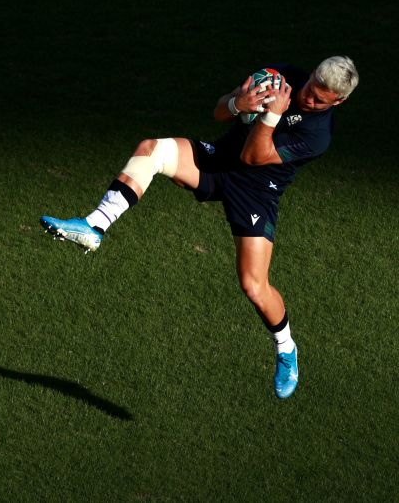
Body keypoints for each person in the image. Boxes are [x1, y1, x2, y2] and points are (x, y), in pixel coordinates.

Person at [40, 56, 359, 400]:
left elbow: (253, 156)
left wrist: (270, 114)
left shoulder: (317, 135)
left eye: (319, 99)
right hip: (219, 158)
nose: (309, 97)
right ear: (311, 75)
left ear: (338, 102)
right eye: (311, 87)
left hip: (256, 190)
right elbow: (220, 111)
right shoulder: (282, 77)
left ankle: (286, 348)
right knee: (152, 150)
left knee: (253, 285)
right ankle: (94, 227)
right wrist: (240, 102)